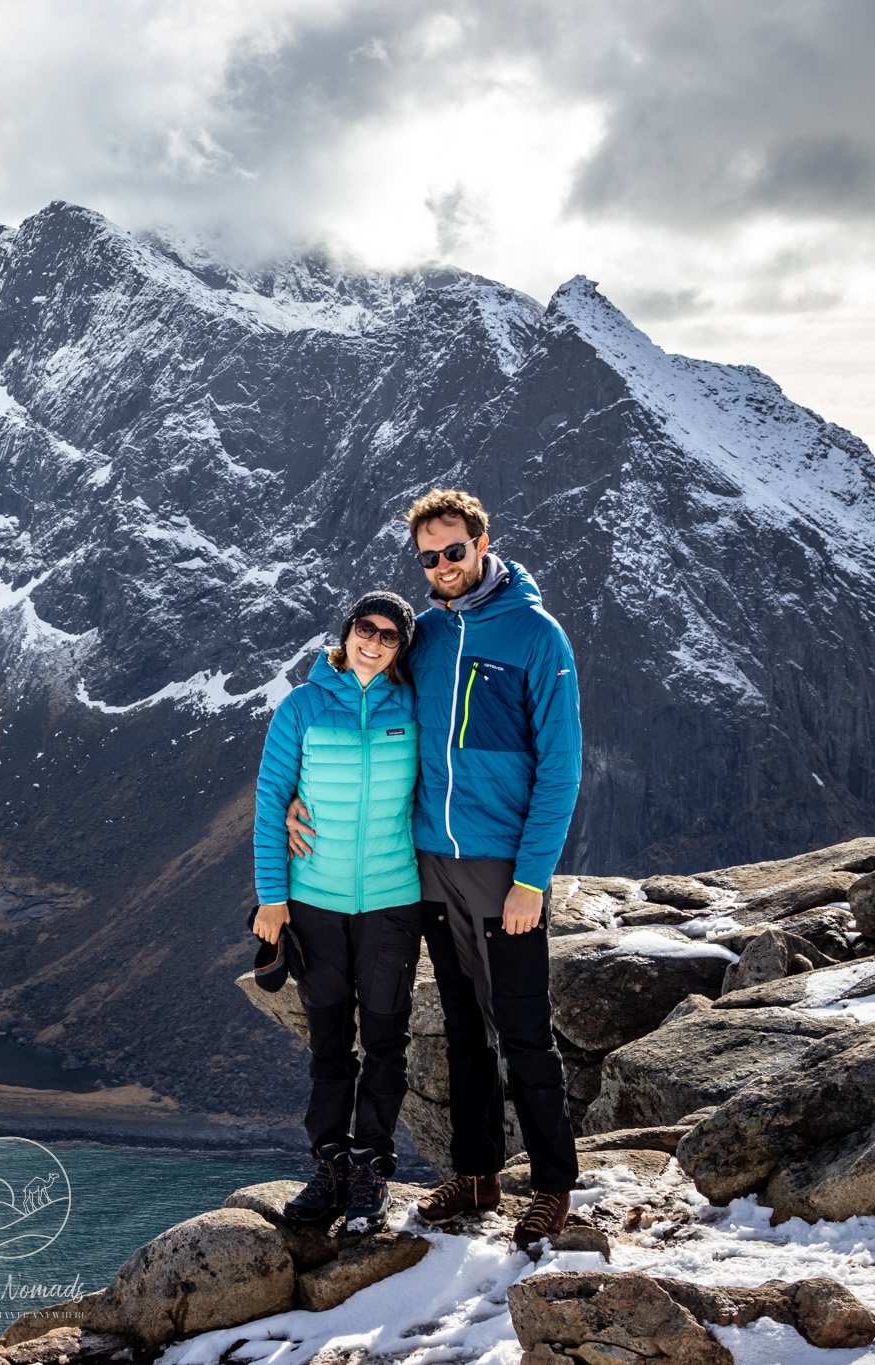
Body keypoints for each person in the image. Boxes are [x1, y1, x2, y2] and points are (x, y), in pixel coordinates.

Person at [288, 489, 583, 1250]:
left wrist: (532, 877)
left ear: (484, 542)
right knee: (461, 1028)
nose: (444, 567)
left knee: (521, 1025)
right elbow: (358, 711)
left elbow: (561, 766)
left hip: (499, 865)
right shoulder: (424, 638)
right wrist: (296, 801)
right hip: (428, 863)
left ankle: (553, 1186)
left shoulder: (536, 636)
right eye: (430, 557)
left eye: (455, 551)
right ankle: (478, 1173)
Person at [252, 591, 424, 1225]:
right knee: (329, 1044)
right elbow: (273, 803)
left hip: (393, 903)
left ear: (403, 647)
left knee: (385, 1039)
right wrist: (272, 900)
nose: (373, 642)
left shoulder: (415, 705)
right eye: (364, 628)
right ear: (347, 631)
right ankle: (328, 1164)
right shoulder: (301, 706)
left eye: (388, 635)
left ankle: (371, 1170)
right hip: (314, 904)